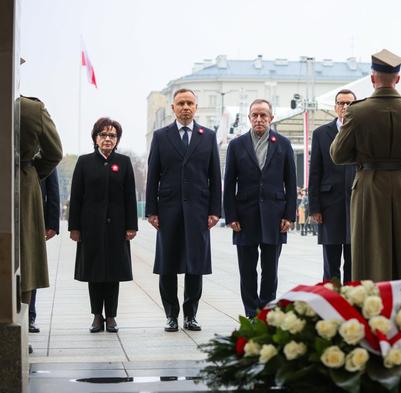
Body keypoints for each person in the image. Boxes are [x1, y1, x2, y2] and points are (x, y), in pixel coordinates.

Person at [330, 49, 401, 286]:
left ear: (373, 78)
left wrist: (364, 158)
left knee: (368, 248)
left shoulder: (357, 111)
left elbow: (337, 154)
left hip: (369, 184)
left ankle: (370, 302)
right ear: (398, 78)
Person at [145, 89, 222, 332]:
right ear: (173, 108)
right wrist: (151, 210)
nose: (185, 107)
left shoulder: (208, 137)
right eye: (181, 103)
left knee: (194, 265)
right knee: (168, 265)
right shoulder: (161, 136)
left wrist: (215, 210)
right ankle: (171, 315)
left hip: (198, 211)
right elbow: (152, 176)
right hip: (168, 211)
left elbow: (214, 177)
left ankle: (191, 315)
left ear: (196, 107)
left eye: (190, 103)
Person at [223, 99, 297, 318]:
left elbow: (290, 182)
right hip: (244, 217)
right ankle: (251, 314)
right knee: (247, 270)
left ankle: (266, 312)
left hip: (274, 216)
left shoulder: (283, 144)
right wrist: (231, 215)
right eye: (254, 115)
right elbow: (229, 183)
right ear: (249, 118)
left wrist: (289, 215)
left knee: (270, 270)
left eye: (263, 115)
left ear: (271, 118)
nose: (258, 119)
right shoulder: (237, 145)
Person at [68, 118, 138, 333]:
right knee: (94, 273)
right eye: (103, 134)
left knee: (113, 273)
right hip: (91, 227)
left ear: (117, 140)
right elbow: (77, 196)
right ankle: (97, 316)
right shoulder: (84, 162)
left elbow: (129, 197)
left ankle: (111, 317)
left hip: (117, 227)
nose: (108, 139)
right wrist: (75, 227)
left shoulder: (124, 163)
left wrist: (131, 226)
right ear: (95, 138)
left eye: (112, 135)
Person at [19, 95, 63, 317]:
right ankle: (21, 324)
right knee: (24, 256)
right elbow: (54, 152)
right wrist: (30, 173)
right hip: (22, 186)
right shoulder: (31, 109)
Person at [309, 89, 357, 283]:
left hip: (356, 202)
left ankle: (353, 305)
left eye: (349, 103)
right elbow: (314, 172)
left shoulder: (362, 131)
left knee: (354, 262)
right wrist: (314, 207)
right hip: (330, 205)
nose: (345, 107)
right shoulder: (321, 133)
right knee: (331, 262)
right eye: (341, 103)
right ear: (335, 107)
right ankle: (332, 303)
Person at [29, 168, 61, 333]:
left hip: (34, 216)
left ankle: (29, 317)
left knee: (31, 266)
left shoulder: (40, 150)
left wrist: (52, 223)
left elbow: (53, 190)